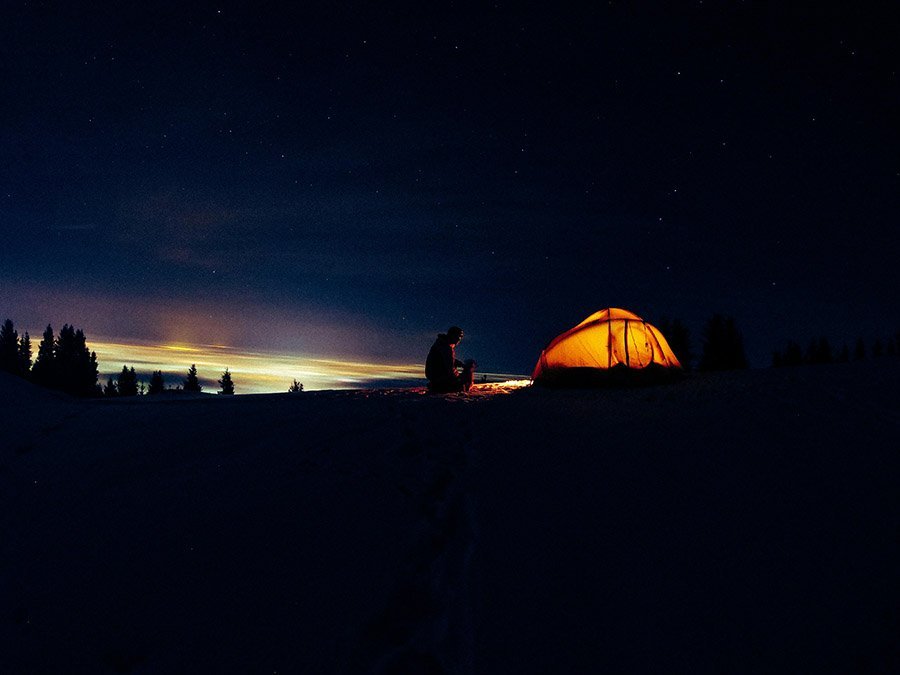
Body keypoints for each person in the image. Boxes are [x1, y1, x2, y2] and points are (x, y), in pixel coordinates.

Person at [425, 326, 476, 393]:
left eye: (461, 337)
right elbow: (450, 368)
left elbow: (446, 360)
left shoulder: (442, 344)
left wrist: (459, 364)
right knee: (466, 374)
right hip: (439, 377)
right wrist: (459, 377)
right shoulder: (446, 347)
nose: (459, 339)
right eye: (458, 336)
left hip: (434, 375)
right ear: (452, 335)